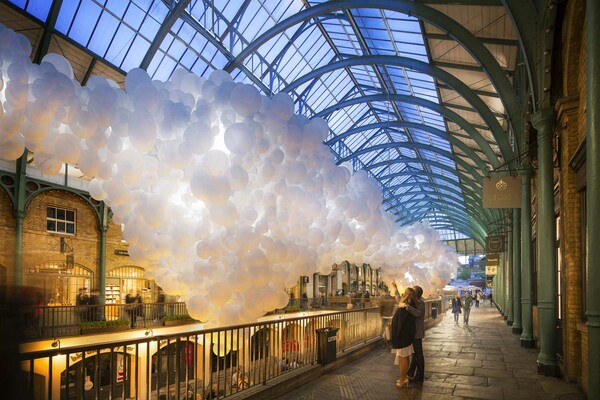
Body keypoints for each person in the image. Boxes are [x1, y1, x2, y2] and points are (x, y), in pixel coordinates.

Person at [390, 284, 416, 389]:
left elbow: (399, 324)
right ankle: (404, 377)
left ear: (406, 295)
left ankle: (403, 379)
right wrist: (395, 288)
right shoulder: (410, 306)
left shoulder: (405, 307)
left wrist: (395, 337)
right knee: (405, 356)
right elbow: (398, 299)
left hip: (402, 337)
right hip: (407, 337)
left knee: (402, 358)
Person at [399, 285, 425, 384]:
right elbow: (401, 301)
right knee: (415, 354)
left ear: (416, 293)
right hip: (413, 332)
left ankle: (419, 376)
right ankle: (410, 373)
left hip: (417, 333)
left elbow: (418, 314)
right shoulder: (415, 302)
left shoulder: (420, 303)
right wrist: (396, 289)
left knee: (418, 355)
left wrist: (407, 307)